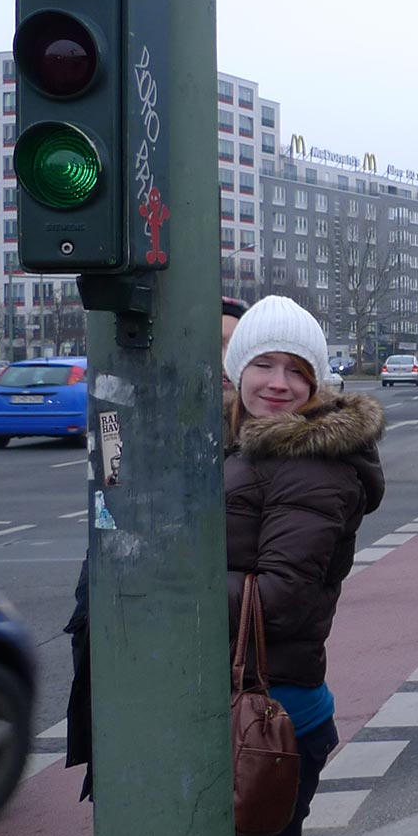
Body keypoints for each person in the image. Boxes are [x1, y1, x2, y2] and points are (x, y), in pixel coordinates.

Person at [223, 294, 386, 836]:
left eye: (297, 370)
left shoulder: (311, 462)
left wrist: (169, 585)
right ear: (237, 370)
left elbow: (283, 599)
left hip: (270, 718)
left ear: (318, 382)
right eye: (264, 364)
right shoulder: (246, 443)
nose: (279, 383)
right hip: (267, 707)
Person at [63, 295, 249, 800]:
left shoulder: (263, 438)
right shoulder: (128, 414)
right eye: (213, 347)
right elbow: (111, 498)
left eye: (236, 348)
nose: (223, 362)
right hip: (126, 640)